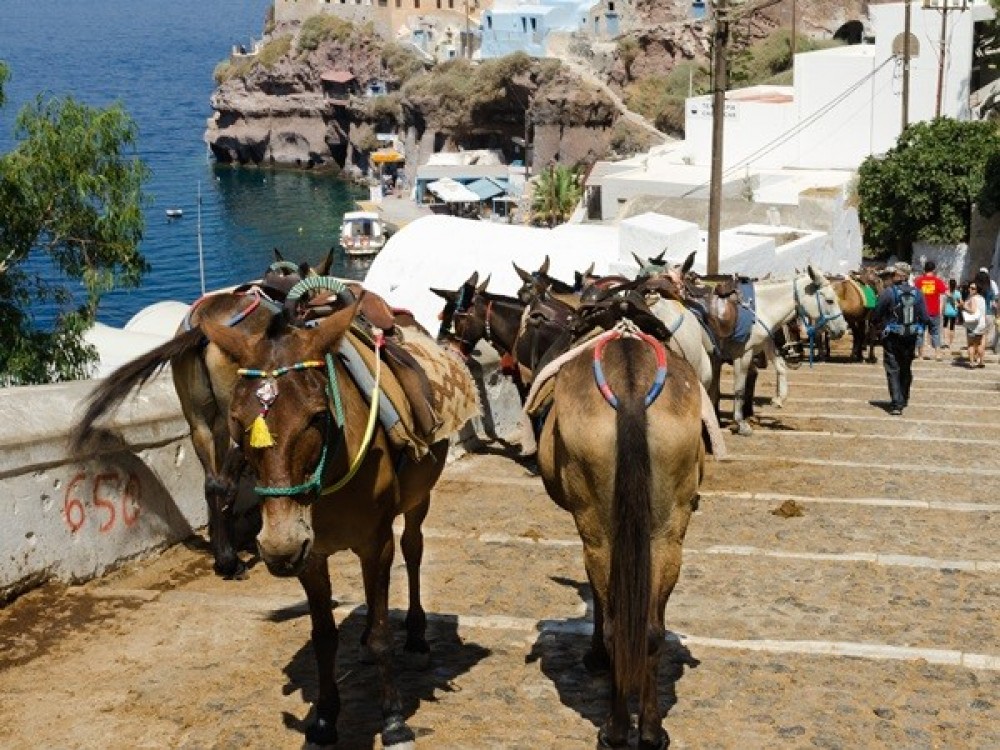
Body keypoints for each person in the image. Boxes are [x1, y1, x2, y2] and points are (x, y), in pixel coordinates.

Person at [871, 262, 931, 416]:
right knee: (906, 367)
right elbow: (924, 317)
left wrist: (878, 326)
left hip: (892, 337)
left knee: (892, 368)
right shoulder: (918, 294)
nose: (892, 276)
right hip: (910, 337)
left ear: (899, 275)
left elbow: (876, 314)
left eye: (894, 274)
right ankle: (904, 398)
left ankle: (896, 403)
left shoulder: (888, 292)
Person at [914, 260, 948, 359]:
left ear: (925, 269)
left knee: (920, 332)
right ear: (934, 269)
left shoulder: (919, 281)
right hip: (934, 311)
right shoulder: (937, 281)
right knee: (935, 332)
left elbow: (914, 294)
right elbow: (945, 292)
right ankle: (938, 354)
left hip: (921, 311)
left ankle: (920, 354)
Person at [962, 280, 988, 367]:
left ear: (977, 290)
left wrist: (965, 306)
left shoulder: (973, 298)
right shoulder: (982, 298)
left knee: (971, 344)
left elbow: (973, 310)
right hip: (981, 324)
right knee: (980, 343)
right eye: (970, 287)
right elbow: (984, 312)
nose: (970, 289)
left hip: (973, 325)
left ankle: (972, 362)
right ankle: (981, 361)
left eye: (973, 288)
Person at [942, 278, 961, 350]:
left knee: (945, 326)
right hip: (954, 312)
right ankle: (950, 343)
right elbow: (960, 303)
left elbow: (944, 302)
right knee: (952, 328)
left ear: (949, 285)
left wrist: (942, 310)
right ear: (956, 285)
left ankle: (945, 341)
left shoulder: (946, 292)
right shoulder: (958, 293)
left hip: (947, 311)